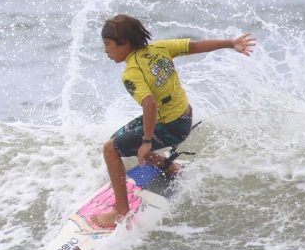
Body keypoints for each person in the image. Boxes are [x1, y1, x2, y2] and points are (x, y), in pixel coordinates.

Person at [93, 14, 256, 228]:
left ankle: (121, 213)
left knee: (110, 149)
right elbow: (195, 46)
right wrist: (230, 43)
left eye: (108, 44)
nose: (106, 50)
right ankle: (168, 167)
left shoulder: (131, 72)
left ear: (124, 43)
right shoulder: (159, 48)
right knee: (117, 139)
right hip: (183, 116)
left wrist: (147, 141)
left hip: (169, 125)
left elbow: (149, 104)